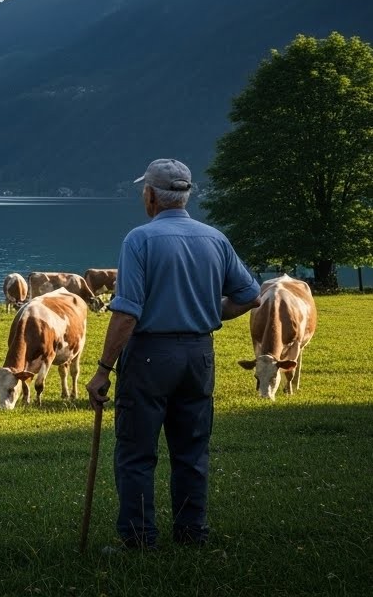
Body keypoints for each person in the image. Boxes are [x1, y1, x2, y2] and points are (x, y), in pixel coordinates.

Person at [87, 158, 261, 549]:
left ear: (150, 195)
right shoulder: (215, 239)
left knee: (136, 451)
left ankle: (139, 538)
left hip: (150, 356)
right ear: (185, 195)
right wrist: (208, 312)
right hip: (199, 355)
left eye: (142, 191)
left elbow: (127, 313)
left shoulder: (140, 240)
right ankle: (191, 533)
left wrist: (103, 370)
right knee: (191, 450)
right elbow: (250, 296)